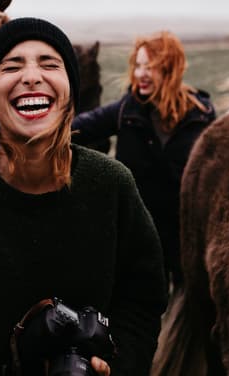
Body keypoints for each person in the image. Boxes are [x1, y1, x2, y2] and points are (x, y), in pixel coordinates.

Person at [0, 18, 167, 376]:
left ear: (70, 96)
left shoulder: (111, 185)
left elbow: (143, 298)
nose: (32, 76)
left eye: (49, 64)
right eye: (11, 66)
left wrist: (118, 366)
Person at [72, 31, 216, 289]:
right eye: (137, 66)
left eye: (150, 67)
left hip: (186, 234)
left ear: (170, 69)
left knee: (190, 303)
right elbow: (78, 128)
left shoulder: (201, 116)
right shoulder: (127, 110)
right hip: (141, 233)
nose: (140, 74)